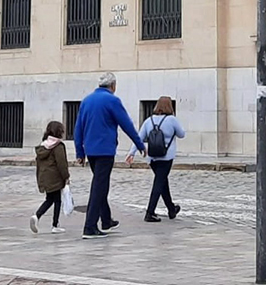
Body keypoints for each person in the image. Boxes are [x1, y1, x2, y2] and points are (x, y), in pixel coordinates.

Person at [74, 72, 146, 239]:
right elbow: (126, 124)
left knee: (100, 184)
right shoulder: (112, 100)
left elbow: (78, 127)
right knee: (99, 186)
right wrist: (139, 144)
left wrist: (79, 151)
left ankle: (106, 220)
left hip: (90, 150)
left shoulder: (86, 100)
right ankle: (90, 227)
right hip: (105, 150)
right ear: (113, 86)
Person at [128, 96, 186, 222]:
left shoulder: (149, 121)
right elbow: (182, 134)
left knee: (162, 181)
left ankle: (171, 209)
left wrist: (131, 153)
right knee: (159, 183)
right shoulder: (172, 120)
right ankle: (150, 212)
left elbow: (139, 137)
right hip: (166, 157)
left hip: (152, 157)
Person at [31, 120, 70, 235]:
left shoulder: (43, 146)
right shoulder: (58, 146)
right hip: (56, 178)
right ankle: (52, 223)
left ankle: (40, 218)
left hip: (45, 177)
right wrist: (66, 177)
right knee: (56, 200)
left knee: (51, 199)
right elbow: (61, 163)